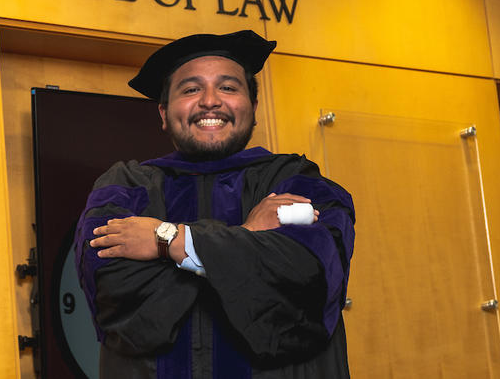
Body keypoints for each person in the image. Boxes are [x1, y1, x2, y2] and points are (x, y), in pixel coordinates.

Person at [74, 30, 356, 378]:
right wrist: (248, 237)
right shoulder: (124, 187)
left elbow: (306, 279)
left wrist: (170, 241)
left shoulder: (298, 181)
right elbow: (113, 288)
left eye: (228, 87)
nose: (210, 101)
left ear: (253, 108)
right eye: (191, 89)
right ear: (163, 113)